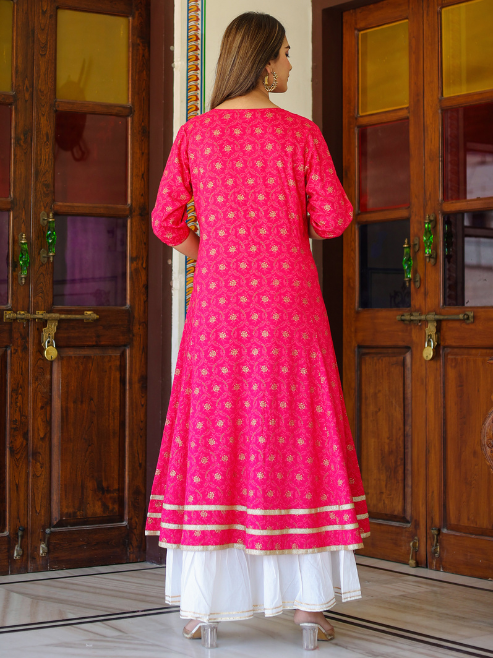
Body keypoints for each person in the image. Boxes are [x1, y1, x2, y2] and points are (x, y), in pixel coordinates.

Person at [146, 11, 369, 650]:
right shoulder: (300, 133)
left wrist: (213, 254)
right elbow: (332, 220)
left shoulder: (196, 134)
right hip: (288, 307)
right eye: (287, 55)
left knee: (217, 432)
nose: (291, 65)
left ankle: (202, 608)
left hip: (219, 307)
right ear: (266, 62)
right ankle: (307, 609)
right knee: (296, 433)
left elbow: (165, 222)